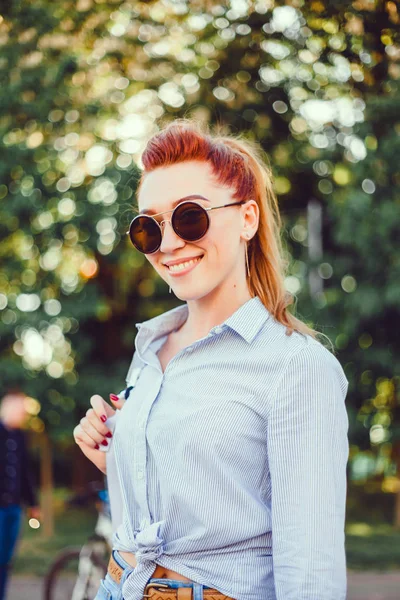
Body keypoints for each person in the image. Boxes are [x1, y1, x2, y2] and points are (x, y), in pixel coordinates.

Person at [73, 119, 349, 600]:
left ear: (247, 218)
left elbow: (310, 573)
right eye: (148, 227)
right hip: (116, 586)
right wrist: (121, 454)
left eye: (189, 217)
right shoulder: (151, 347)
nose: (169, 243)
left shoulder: (297, 367)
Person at [0, 390, 40, 600]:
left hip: (14, 507)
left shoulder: (21, 437)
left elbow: (25, 473)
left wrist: (33, 504)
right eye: (22, 409)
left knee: (6, 559)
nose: (25, 414)